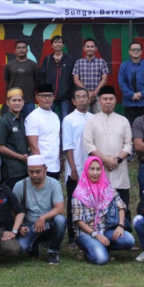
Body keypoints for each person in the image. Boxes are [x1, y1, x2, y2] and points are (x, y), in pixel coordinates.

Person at [83, 85, 134, 228]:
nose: (108, 102)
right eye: (105, 99)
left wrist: (116, 160)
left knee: (123, 202)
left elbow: (128, 144)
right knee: (98, 203)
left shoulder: (123, 120)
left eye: (111, 99)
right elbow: (88, 144)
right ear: (99, 101)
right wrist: (105, 160)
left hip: (119, 168)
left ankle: (126, 232)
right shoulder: (91, 120)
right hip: (99, 169)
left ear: (115, 101)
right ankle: (100, 231)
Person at [72, 156, 136, 265]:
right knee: (101, 259)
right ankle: (87, 249)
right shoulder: (79, 192)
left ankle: (102, 246)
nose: (95, 173)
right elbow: (78, 221)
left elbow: (121, 206)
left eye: (98, 169)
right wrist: (96, 235)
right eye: (92, 169)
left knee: (129, 240)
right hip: (87, 233)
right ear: (86, 170)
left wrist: (120, 226)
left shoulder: (107, 187)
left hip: (105, 230)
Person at [13, 156, 66, 265]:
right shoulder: (20, 185)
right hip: (29, 226)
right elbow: (13, 210)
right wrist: (20, 226)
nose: (34, 175)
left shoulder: (54, 184)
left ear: (45, 169)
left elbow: (60, 208)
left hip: (49, 223)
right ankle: (34, 246)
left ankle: (53, 251)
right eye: (31, 172)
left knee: (60, 220)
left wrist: (43, 218)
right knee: (21, 249)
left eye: (38, 171)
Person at [62, 88, 94, 249]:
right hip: (75, 169)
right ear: (74, 101)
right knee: (73, 204)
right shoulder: (69, 120)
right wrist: (73, 169)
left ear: (89, 100)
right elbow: (68, 147)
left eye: (84, 97)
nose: (82, 100)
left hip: (93, 170)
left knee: (90, 203)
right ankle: (72, 237)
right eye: (78, 97)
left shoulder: (94, 118)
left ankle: (89, 232)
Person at [25, 84, 62, 180]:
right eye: (43, 96)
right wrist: (40, 167)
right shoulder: (33, 117)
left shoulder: (55, 116)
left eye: (49, 96)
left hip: (55, 165)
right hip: (42, 167)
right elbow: (33, 145)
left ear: (53, 97)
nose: (47, 98)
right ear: (37, 98)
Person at [0, 88, 30, 190]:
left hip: (25, 169)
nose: (17, 103)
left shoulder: (23, 119)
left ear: (23, 102)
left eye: (19, 100)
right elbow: (0, 148)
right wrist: (21, 157)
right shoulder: (4, 121)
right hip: (12, 172)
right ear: (7, 102)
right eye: (14, 100)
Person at [118, 41, 144, 124]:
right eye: (133, 49)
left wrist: (141, 94)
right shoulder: (124, 66)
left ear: (141, 52)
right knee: (129, 126)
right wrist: (131, 95)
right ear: (129, 51)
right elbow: (122, 82)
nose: (135, 51)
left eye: (138, 49)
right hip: (129, 102)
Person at [38, 35, 74, 121]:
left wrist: (68, 88)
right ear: (52, 45)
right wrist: (46, 91)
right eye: (55, 42)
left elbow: (73, 77)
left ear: (63, 45)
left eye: (59, 42)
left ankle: (64, 135)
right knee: (48, 119)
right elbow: (42, 76)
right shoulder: (47, 59)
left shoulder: (69, 59)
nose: (57, 44)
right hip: (50, 96)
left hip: (65, 96)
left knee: (65, 120)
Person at [72, 38, 109, 114]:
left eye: (92, 47)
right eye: (87, 47)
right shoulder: (79, 62)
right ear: (84, 48)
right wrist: (87, 92)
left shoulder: (101, 62)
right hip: (83, 96)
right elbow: (76, 80)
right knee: (83, 118)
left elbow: (104, 80)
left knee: (99, 118)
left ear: (96, 48)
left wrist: (94, 93)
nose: (90, 48)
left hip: (98, 96)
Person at [4, 40, 38, 117]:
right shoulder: (9, 65)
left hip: (29, 100)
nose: (21, 49)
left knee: (29, 123)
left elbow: (37, 82)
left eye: (23, 47)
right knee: (14, 123)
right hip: (14, 100)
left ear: (27, 50)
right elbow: (7, 81)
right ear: (15, 50)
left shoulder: (33, 65)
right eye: (19, 48)